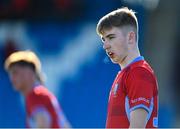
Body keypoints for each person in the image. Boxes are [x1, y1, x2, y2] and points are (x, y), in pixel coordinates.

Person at [96, 7, 158, 128]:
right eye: (103, 39)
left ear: (130, 37)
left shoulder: (139, 72)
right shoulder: (125, 74)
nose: (105, 46)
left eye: (111, 37)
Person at [4, 50, 70, 128]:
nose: (12, 78)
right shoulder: (42, 94)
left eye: (15, 72)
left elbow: (42, 125)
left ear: (29, 72)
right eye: (10, 74)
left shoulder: (35, 95)